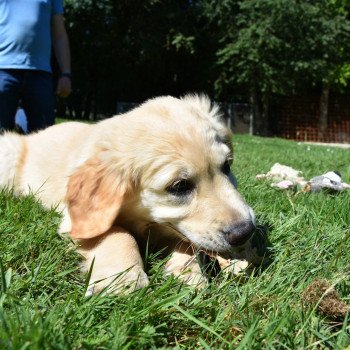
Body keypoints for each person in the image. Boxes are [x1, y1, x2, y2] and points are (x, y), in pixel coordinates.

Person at [0, 0, 71, 133]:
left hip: (40, 74)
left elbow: (59, 35)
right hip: (3, 70)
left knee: (45, 139)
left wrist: (66, 73)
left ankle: (20, 122)